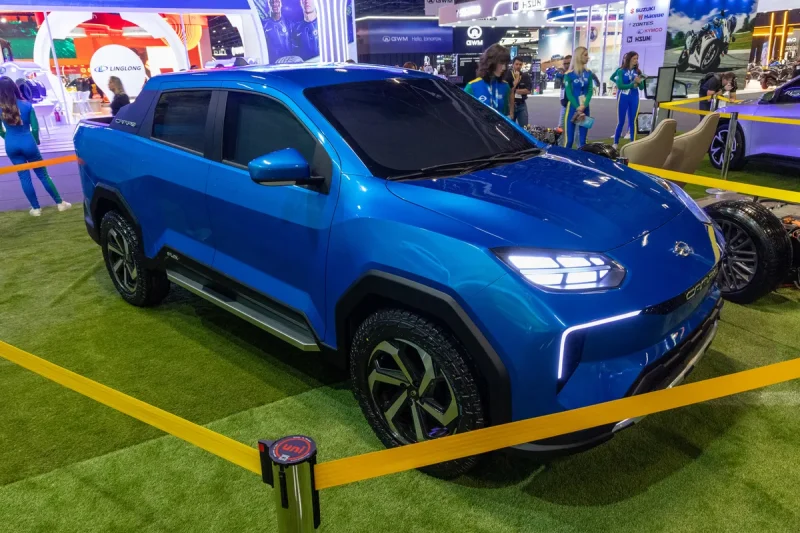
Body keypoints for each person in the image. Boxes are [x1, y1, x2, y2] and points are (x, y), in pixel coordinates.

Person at [0, 76, 71, 216]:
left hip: (11, 145)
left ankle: (36, 208)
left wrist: (8, 138)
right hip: (28, 143)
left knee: (23, 177)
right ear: (15, 88)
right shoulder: (27, 105)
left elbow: (0, 131)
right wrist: (36, 141)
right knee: (43, 174)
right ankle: (60, 203)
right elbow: (35, 128)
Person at [464, 44, 512, 118]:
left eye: (506, 64)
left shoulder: (505, 86)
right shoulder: (472, 87)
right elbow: (466, 115)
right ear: (490, 62)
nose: (504, 68)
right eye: (501, 63)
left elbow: (505, 113)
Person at [611, 51, 643, 148]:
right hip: (623, 97)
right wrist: (632, 84)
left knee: (632, 121)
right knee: (621, 121)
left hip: (634, 97)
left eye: (637, 58)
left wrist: (639, 82)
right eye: (634, 58)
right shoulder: (621, 71)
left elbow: (641, 88)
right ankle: (615, 142)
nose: (636, 60)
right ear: (629, 59)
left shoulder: (638, 72)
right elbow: (620, 86)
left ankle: (633, 142)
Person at [563, 46, 594, 149]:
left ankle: (581, 158)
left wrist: (584, 106)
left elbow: (590, 91)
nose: (588, 57)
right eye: (585, 55)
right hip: (572, 108)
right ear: (579, 56)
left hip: (585, 109)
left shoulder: (589, 73)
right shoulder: (569, 75)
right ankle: (565, 158)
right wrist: (577, 107)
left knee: (583, 140)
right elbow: (569, 94)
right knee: (569, 140)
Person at [504, 56, 532, 127]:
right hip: (509, 106)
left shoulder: (525, 76)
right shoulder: (507, 75)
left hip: (521, 105)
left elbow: (528, 90)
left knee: (524, 128)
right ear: (513, 64)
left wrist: (515, 90)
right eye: (516, 64)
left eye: (520, 64)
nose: (518, 66)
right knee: (509, 128)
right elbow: (507, 90)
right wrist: (516, 79)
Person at [556, 54, 572, 130]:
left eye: (568, 63)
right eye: (565, 64)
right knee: (561, 127)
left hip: (575, 106)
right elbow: (557, 83)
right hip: (564, 105)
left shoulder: (576, 75)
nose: (566, 65)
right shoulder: (563, 74)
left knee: (576, 129)